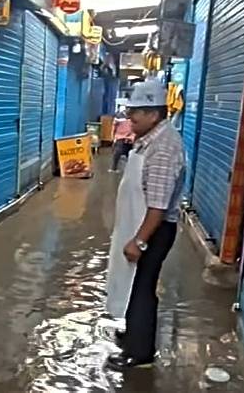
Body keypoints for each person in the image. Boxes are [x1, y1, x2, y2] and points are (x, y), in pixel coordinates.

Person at [105, 80, 186, 369]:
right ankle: (134, 334)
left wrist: (139, 241)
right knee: (133, 284)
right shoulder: (150, 137)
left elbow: (158, 206)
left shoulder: (163, 147)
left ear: (154, 114)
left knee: (142, 287)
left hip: (153, 229)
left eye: (136, 112)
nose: (130, 118)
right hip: (142, 224)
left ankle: (139, 353)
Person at [110, 108, 134, 172]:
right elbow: (114, 127)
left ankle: (130, 168)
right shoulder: (119, 116)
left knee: (131, 153)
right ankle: (114, 168)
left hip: (131, 137)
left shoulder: (134, 116)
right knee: (118, 151)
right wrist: (112, 136)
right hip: (120, 136)